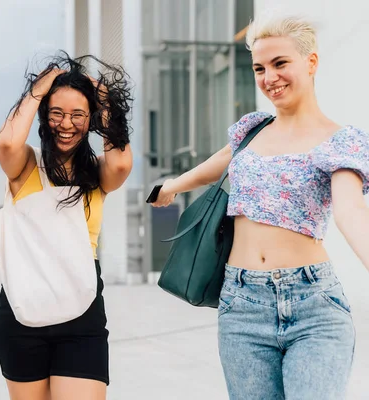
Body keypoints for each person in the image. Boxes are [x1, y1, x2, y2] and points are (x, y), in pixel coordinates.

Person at [152, 14, 368, 400]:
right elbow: (213, 168)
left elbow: (351, 211)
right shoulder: (252, 129)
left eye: (280, 63)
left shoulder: (341, 141)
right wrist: (170, 187)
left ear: (311, 62)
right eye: (259, 68)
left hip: (314, 305)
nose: (270, 77)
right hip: (242, 306)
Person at [0, 53, 133, 400]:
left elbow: (122, 161)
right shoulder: (25, 166)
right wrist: (37, 91)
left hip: (81, 315)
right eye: (56, 113)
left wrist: (103, 98)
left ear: (91, 121)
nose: (66, 124)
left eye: (77, 116)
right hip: (22, 312)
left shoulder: (98, 173)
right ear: (43, 116)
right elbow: (6, 142)